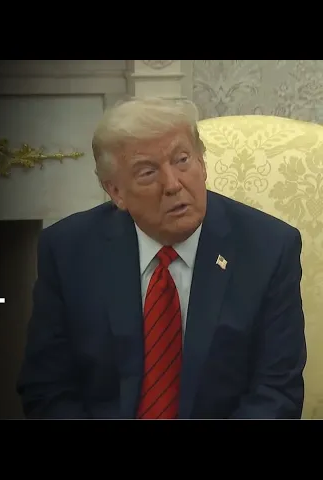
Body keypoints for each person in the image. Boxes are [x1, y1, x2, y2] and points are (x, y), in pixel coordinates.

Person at [16, 97, 307, 419]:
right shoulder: (68, 250)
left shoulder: (268, 248)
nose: (172, 184)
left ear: (202, 163)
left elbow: (276, 392)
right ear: (116, 192)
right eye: (147, 172)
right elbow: (47, 387)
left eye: (182, 160)